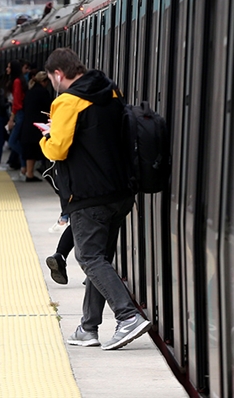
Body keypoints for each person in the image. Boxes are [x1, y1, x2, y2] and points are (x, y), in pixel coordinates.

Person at [39, 48, 149, 350]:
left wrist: (45, 137)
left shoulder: (66, 101)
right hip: (120, 191)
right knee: (101, 258)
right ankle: (88, 327)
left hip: (89, 193)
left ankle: (128, 317)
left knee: (88, 258)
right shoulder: (111, 90)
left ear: (58, 74)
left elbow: (58, 149)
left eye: (51, 79)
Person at [20, 71, 52, 182]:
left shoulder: (30, 91)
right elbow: (48, 107)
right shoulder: (43, 92)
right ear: (44, 81)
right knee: (34, 149)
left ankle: (28, 172)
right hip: (38, 125)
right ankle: (30, 173)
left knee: (30, 150)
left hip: (28, 124)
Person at [6, 60, 27, 173]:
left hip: (19, 114)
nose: (7, 69)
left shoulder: (17, 82)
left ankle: (26, 160)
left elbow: (17, 103)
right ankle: (24, 166)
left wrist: (11, 119)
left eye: (9, 67)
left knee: (12, 141)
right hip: (19, 113)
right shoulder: (19, 81)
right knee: (16, 140)